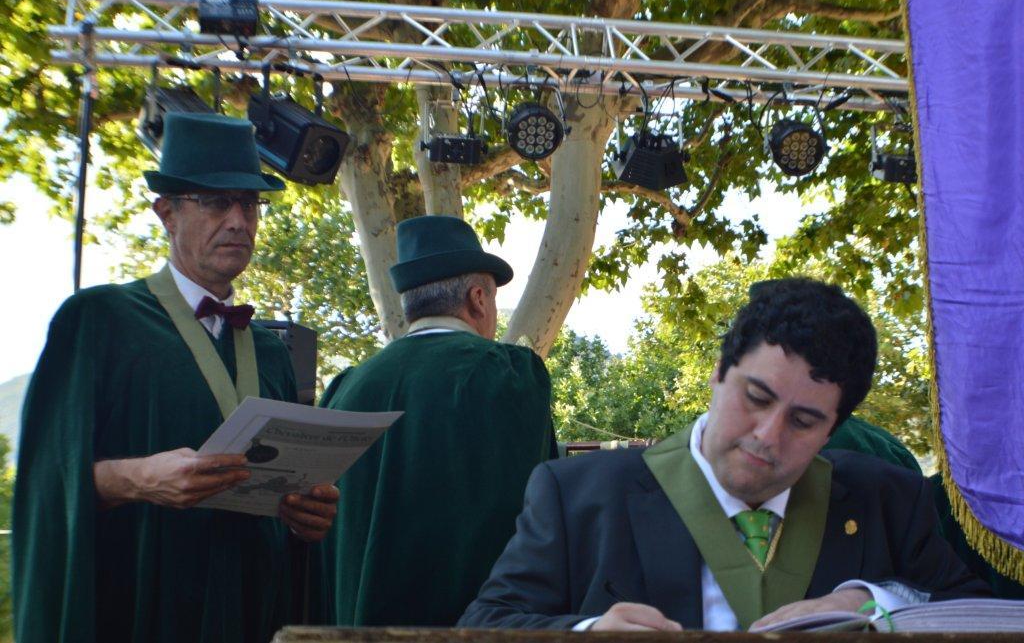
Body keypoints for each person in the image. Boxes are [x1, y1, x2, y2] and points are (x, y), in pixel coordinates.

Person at [459, 278, 988, 632]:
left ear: (833, 430)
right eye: (755, 397)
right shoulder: (575, 493)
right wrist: (588, 631)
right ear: (717, 373)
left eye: (804, 422)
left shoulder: (886, 499)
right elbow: (485, 623)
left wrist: (874, 604)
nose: (768, 435)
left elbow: (977, 612)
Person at [13, 113, 339, 643]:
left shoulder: (270, 351)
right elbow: (46, 482)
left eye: (250, 204)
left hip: (251, 614)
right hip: (137, 611)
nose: (238, 221)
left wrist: (308, 515)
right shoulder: (97, 321)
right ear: (166, 213)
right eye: (215, 202)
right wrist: (139, 479)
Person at [320, 215, 558, 626]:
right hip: (475, 629)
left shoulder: (346, 387)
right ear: (478, 298)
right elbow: (542, 512)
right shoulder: (507, 374)